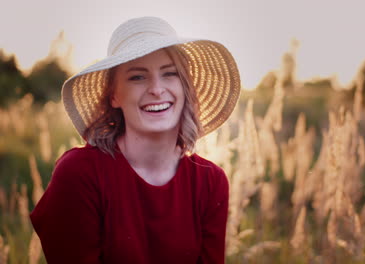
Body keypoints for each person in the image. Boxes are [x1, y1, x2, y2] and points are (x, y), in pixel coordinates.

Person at [30, 16, 240, 264]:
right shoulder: (80, 173)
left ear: (186, 89)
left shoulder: (210, 181)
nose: (156, 89)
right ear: (113, 96)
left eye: (170, 73)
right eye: (137, 77)